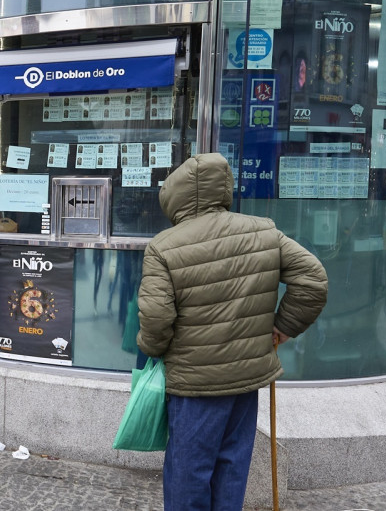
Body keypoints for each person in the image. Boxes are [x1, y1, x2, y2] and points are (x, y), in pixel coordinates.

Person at [136, 153, 328, 511]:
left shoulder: (164, 246)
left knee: (188, 473)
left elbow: (156, 321)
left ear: (175, 196)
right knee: (231, 468)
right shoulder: (264, 231)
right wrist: (283, 327)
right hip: (246, 381)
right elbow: (313, 279)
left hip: (194, 385)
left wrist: (151, 349)